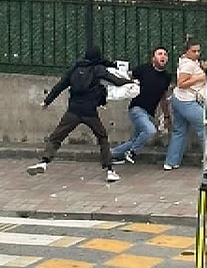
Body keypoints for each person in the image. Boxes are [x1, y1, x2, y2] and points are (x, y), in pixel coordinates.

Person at [26, 46, 132, 182]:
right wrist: (131, 82)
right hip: (90, 112)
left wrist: (47, 101)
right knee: (102, 137)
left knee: (56, 137)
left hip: (73, 111)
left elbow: (60, 85)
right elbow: (115, 80)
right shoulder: (98, 69)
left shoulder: (75, 68)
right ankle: (109, 170)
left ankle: (44, 162)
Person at [111, 46, 172, 164]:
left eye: (165, 54)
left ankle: (110, 154)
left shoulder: (166, 77)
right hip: (137, 108)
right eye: (159, 54)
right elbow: (128, 77)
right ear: (153, 58)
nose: (163, 56)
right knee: (150, 131)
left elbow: (163, 98)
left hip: (150, 113)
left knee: (135, 140)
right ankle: (132, 153)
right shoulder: (144, 69)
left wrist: (167, 116)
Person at [163, 37, 207, 171]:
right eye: (194, 51)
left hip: (179, 99)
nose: (197, 54)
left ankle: (171, 161)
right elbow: (181, 83)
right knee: (204, 126)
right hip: (187, 100)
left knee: (179, 130)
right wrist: (200, 77)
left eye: (198, 51)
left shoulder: (188, 61)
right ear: (187, 51)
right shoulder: (188, 64)